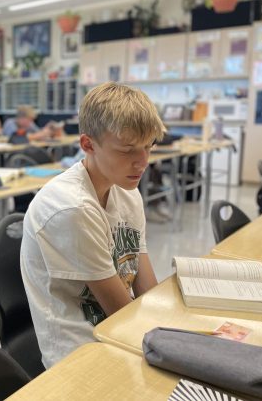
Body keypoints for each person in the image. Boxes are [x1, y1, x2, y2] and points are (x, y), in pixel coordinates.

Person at [21, 82, 164, 369]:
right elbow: (120, 312)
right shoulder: (73, 208)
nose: (143, 162)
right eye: (127, 150)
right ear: (88, 144)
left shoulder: (127, 192)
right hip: (78, 352)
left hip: (118, 332)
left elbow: (145, 284)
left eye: (149, 146)